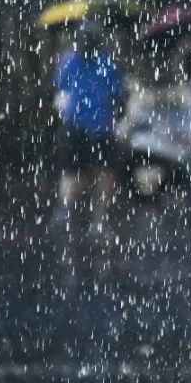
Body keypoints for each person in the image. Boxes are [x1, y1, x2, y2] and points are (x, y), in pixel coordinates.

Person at [52, 21, 125, 236]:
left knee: (72, 173)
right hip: (100, 127)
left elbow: (60, 89)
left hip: (76, 125)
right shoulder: (108, 64)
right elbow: (118, 95)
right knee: (102, 174)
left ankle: (66, 212)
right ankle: (97, 221)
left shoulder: (68, 62)